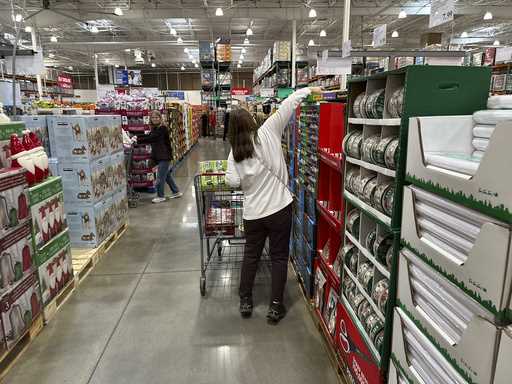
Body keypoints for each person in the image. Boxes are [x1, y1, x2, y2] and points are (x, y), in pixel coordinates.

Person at [225, 87, 320, 324]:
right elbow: (289, 103)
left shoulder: (234, 152)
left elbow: (232, 181)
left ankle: (245, 300)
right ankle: (276, 306)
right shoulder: (269, 130)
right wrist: (309, 90)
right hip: (279, 209)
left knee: (251, 256)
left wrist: (247, 180)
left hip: (253, 213)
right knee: (278, 257)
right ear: (251, 120)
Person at [137, 110, 183, 204]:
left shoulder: (162, 128)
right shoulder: (155, 129)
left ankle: (160, 196)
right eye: (153, 118)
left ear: (160, 118)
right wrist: (135, 136)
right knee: (166, 176)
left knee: (160, 178)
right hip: (159, 156)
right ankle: (176, 192)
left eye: (157, 117)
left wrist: (137, 140)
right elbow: (148, 136)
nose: (155, 119)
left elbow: (152, 138)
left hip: (164, 156)